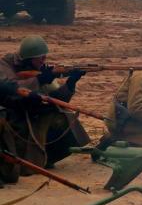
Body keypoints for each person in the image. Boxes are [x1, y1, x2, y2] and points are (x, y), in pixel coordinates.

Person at [0, 35, 90, 168]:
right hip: (11, 117)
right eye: (40, 58)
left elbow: (58, 100)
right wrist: (41, 79)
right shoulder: (5, 65)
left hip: (31, 114)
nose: (44, 61)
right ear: (29, 58)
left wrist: (70, 84)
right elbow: (11, 88)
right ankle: (31, 161)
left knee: (64, 116)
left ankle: (47, 158)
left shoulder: (40, 72)